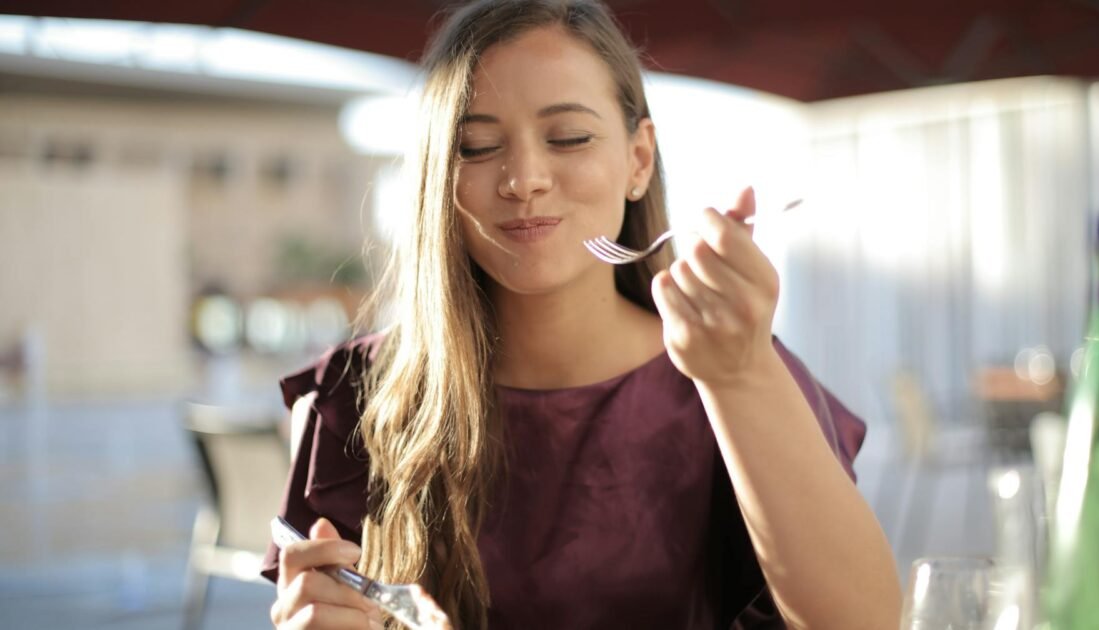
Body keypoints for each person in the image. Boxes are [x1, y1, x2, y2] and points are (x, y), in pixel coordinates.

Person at [263, 0, 901, 628]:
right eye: (478, 147)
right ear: (437, 180)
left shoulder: (731, 370)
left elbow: (863, 621)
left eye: (568, 137)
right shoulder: (355, 396)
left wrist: (741, 375)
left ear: (639, 160)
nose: (524, 178)